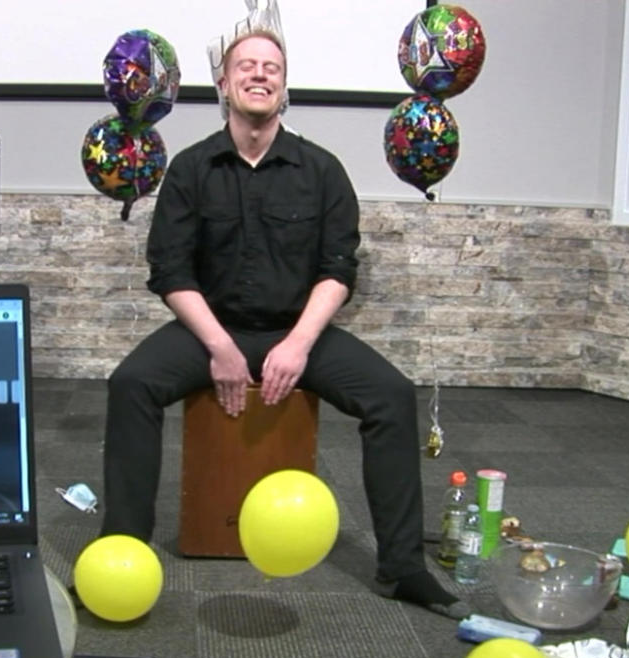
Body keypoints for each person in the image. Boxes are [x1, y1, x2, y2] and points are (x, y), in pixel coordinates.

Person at [98, 30, 470, 620]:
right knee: (131, 383)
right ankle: (121, 548)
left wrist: (299, 344)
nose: (259, 74)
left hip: (295, 332)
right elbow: (170, 271)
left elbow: (337, 270)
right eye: (246, 65)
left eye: (272, 67)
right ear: (224, 83)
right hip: (210, 329)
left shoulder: (322, 170)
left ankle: (402, 569)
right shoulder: (191, 170)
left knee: (393, 396)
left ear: (284, 85)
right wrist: (218, 346)